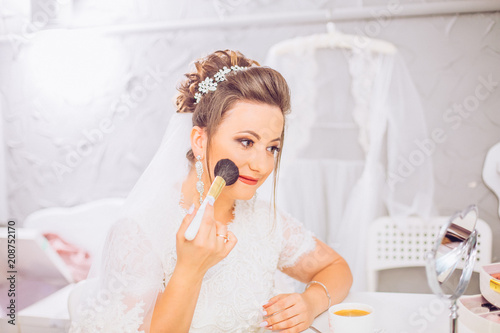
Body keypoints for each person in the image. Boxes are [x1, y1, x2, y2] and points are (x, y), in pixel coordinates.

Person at [69, 49, 352, 333]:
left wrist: (310, 302)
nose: (262, 164)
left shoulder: (266, 220)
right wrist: (189, 270)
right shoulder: (138, 232)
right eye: (245, 142)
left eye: (272, 147)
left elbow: (337, 268)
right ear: (200, 141)